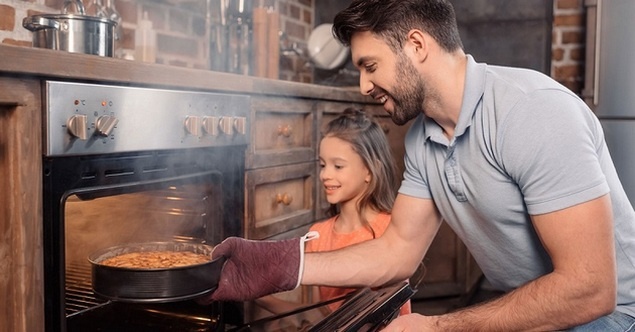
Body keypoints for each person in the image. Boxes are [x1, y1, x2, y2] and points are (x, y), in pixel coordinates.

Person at [203, 0, 635, 330]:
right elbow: (396, 251)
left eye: (370, 66)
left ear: (416, 45)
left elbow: (591, 288)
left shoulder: (531, 112)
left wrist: (439, 326)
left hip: (614, 316)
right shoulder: (422, 138)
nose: (364, 86)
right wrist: (278, 265)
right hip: (543, 308)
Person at [254, 108, 411, 318]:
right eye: (322, 164)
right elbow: (321, 318)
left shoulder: (391, 231)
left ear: (369, 170)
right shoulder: (318, 235)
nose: (325, 175)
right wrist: (258, 295)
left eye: (338, 166)